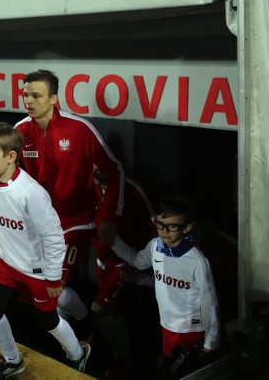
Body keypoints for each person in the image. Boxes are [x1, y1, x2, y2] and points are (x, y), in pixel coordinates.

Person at [0, 123, 91, 379]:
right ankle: (13, 361)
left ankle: (78, 354)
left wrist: (54, 276)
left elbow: (55, 238)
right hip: (7, 262)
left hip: (38, 270)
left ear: (11, 156)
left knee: (47, 321)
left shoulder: (31, 192)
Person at [15, 69, 125, 333]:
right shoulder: (19, 131)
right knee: (36, 292)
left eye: (37, 95)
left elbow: (115, 170)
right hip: (38, 223)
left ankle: (87, 326)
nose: (29, 101)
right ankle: (69, 339)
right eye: (25, 95)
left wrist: (110, 218)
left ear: (53, 98)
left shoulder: (79, 129)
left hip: (75, 222)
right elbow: (9, 173)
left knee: (54, 286)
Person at [101, 196, 220, 380]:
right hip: (166, 328)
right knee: (164, 369)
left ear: (187, 227)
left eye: (172, 226)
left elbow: (209, 302)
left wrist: (212, 340)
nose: (164, 231)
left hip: (189, 333)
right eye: (160, 224)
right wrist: (113, 241)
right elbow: (137, 262)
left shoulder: (197, 261)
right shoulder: (154, 246)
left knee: (178, 374)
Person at [92, 165, 157, 379]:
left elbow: (154, 229)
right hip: (102, 259)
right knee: (113, 314)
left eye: (98, 164)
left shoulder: (131, 189)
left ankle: (124, 359)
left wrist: (138, 261)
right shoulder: (89, 184)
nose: (94, 170)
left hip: (125, 261)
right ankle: (118, 360)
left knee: (100, 309)